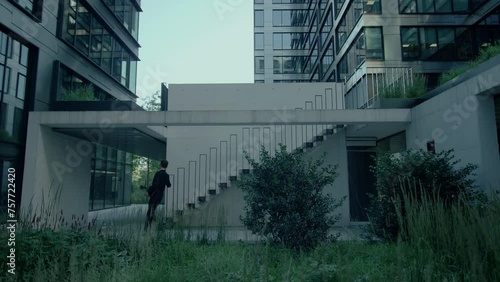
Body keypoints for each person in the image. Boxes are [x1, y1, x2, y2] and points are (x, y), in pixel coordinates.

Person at [144, 160, 171, 230]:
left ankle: (147, 227)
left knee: (150, 210)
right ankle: (152, 222)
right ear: (167, 166)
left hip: (154, 194)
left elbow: (154, 184)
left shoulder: (158, 174)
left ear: (160, 165)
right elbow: (169, 185)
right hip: (160, 195)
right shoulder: (166, 175)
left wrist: (148, 192)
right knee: (153, 209)